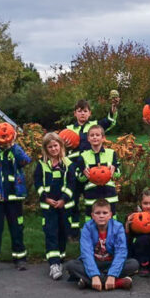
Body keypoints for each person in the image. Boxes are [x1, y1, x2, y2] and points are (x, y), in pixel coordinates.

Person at [0, 125, 32, 274]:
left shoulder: (15, 150)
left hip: (14, 197)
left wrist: (13, 145)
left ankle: (20, 258)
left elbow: (25, 160)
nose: (3, 136)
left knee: (17, 228)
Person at [65, 97, 119, 237]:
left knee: (93, 199)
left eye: (85, 111)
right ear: (75, 113)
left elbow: (109, 122)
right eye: (79, 111)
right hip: (74, 167)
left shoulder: (95, 126)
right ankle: (74, 231)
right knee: (73, 200)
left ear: (89, 113)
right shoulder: (69, 130)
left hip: (92, 166)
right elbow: (61, 145)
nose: (82, 114)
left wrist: (113, 110)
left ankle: (103, 231)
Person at [64, 199, 138, 291]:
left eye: (104, 213)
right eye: (98, 213)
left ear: (110, 215)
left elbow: (121, 252)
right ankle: (117, 283)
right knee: (71, 265)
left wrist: (112, 274)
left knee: (133, 264)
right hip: (94, 262)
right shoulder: (87, 228)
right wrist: (94, 275)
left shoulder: (118, 227)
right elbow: (86, 253)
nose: (101, 216)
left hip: (110, 263)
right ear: (92, 216)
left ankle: (88, 281)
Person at [34, 133, 76, 280]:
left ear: (61, 146)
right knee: (51, 233)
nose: (53, 149)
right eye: (50, 146)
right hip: (49, 207)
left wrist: (64, 199)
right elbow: (38, 183)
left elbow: (71, 184)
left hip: (64, 206)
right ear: (46, 148)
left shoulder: (68, 164)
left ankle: (61, 258)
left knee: (63, 233)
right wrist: (45, 198)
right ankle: (54, 263)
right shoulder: (42, 165)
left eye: (55, 145)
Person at [73, 125, 120, 218]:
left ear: (103, 138)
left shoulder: (111, 153)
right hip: (91, 193)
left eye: (97, 135)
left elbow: (118, 173)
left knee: (111, 218)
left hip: (109, 193)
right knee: (90, 219)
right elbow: (79, 176)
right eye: (92, 135)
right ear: (88, 139)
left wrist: (114, 170)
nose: (94, 137)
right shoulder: (83, 156)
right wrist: (84, 174)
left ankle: (112, 233)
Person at [125, 189, 150, 276]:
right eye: (145, 203)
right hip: (136, 246)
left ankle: (145, 265)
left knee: (144, 239)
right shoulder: (134, 215)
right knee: (133, 242)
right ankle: (131, 264)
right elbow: (128, 236)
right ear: (140, 203)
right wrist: (127, 226)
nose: (148, 206)